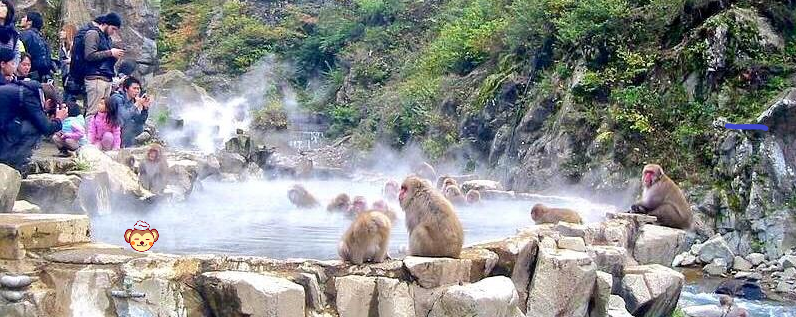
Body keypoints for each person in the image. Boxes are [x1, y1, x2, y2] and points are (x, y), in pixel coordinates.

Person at [0, 49, 67, 172]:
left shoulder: (23, 89)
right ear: (49, 103)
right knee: (35, 128)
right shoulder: (29, 95)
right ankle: (12, 163)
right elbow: (46, 128)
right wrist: (59, 119)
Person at [70, 12, 124, 118]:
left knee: (103, 113)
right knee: (93, 112)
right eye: (113, 29)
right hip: (95, 78)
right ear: (106, 24)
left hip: (106, 77)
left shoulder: (107, 38)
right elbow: (89, 55)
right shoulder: (93, 34)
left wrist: (114, 57)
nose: (114, 32)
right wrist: (110, 52)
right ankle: (89, 135)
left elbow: (104, 58)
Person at [112, 76, 150, 147]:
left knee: (139, 126)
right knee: (130, 124)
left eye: (138, 89)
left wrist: (145, 109)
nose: (137, 91)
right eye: (134, 88)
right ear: (126, 89)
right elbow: (124, 117)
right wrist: (137, 104)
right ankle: (124, 146)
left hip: (122, 128)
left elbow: (140, 121)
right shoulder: (117, 98)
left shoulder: (132, 100)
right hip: (111, 128)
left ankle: (128, 145)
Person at [19, 11, 53, 81]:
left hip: (29, 76)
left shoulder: (26, 35)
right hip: (43, 77)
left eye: (24, 17)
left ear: (29, 22)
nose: (22, 19)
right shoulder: (42, 38)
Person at [59, 23, 77, 101]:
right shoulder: (63, 46)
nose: (61, 32)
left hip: (72, 79)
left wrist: (71, 61)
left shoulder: (75, 46)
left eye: (63, 30)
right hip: (65, 78)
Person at [0, 0, 20, 67]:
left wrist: (13, 69)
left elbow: (16, 53)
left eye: (2, 6)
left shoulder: (13, 32)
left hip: (8, 72)